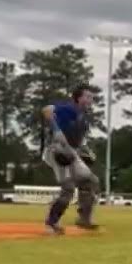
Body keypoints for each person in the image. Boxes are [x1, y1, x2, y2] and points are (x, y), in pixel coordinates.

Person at [40, 85, 100, 235]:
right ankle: (51, 223)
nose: (90, 100)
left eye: (91, 97)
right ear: (78, 98)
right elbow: (47, 109)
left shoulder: (83, 118)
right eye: (87, 96)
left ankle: (84, 218)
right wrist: (56, 130)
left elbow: (78, 141)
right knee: (68, 188)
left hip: (72, 152)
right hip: (57, 150)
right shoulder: (68, 109)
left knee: (90, 181)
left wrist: (86, 150)